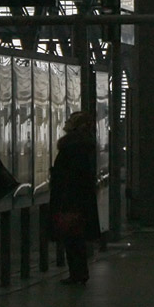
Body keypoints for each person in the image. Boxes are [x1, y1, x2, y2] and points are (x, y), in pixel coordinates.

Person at [48, 110, 101, 285]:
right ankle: (79, 272)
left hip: (70, 199)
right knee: (76, 237)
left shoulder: (71, 146)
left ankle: (77, 273)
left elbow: (69, 175)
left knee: (71, 237)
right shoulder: (84, 146)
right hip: (80, 200)